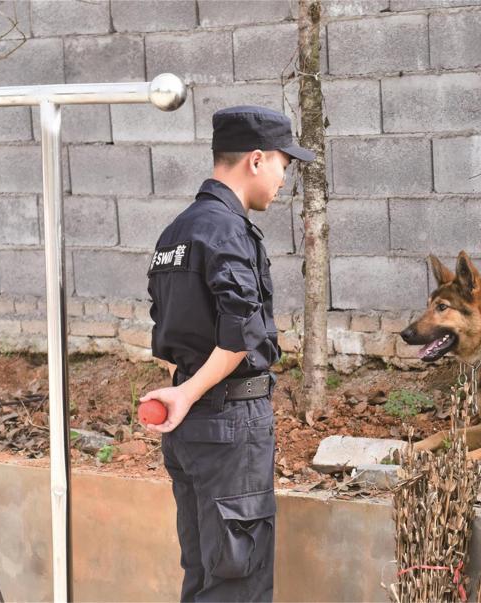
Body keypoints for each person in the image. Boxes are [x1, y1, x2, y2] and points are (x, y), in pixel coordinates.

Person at [141, 105, 314, 602]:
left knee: (203, 576)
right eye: (285, 165)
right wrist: (190, 393)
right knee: (238, 582)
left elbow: (170, 325)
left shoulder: (176, 232)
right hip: (229, 422)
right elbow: (241, 332)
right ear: (256, 161)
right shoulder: (227, 230)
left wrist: (184, 393)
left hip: (191, 432)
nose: (286, 180)